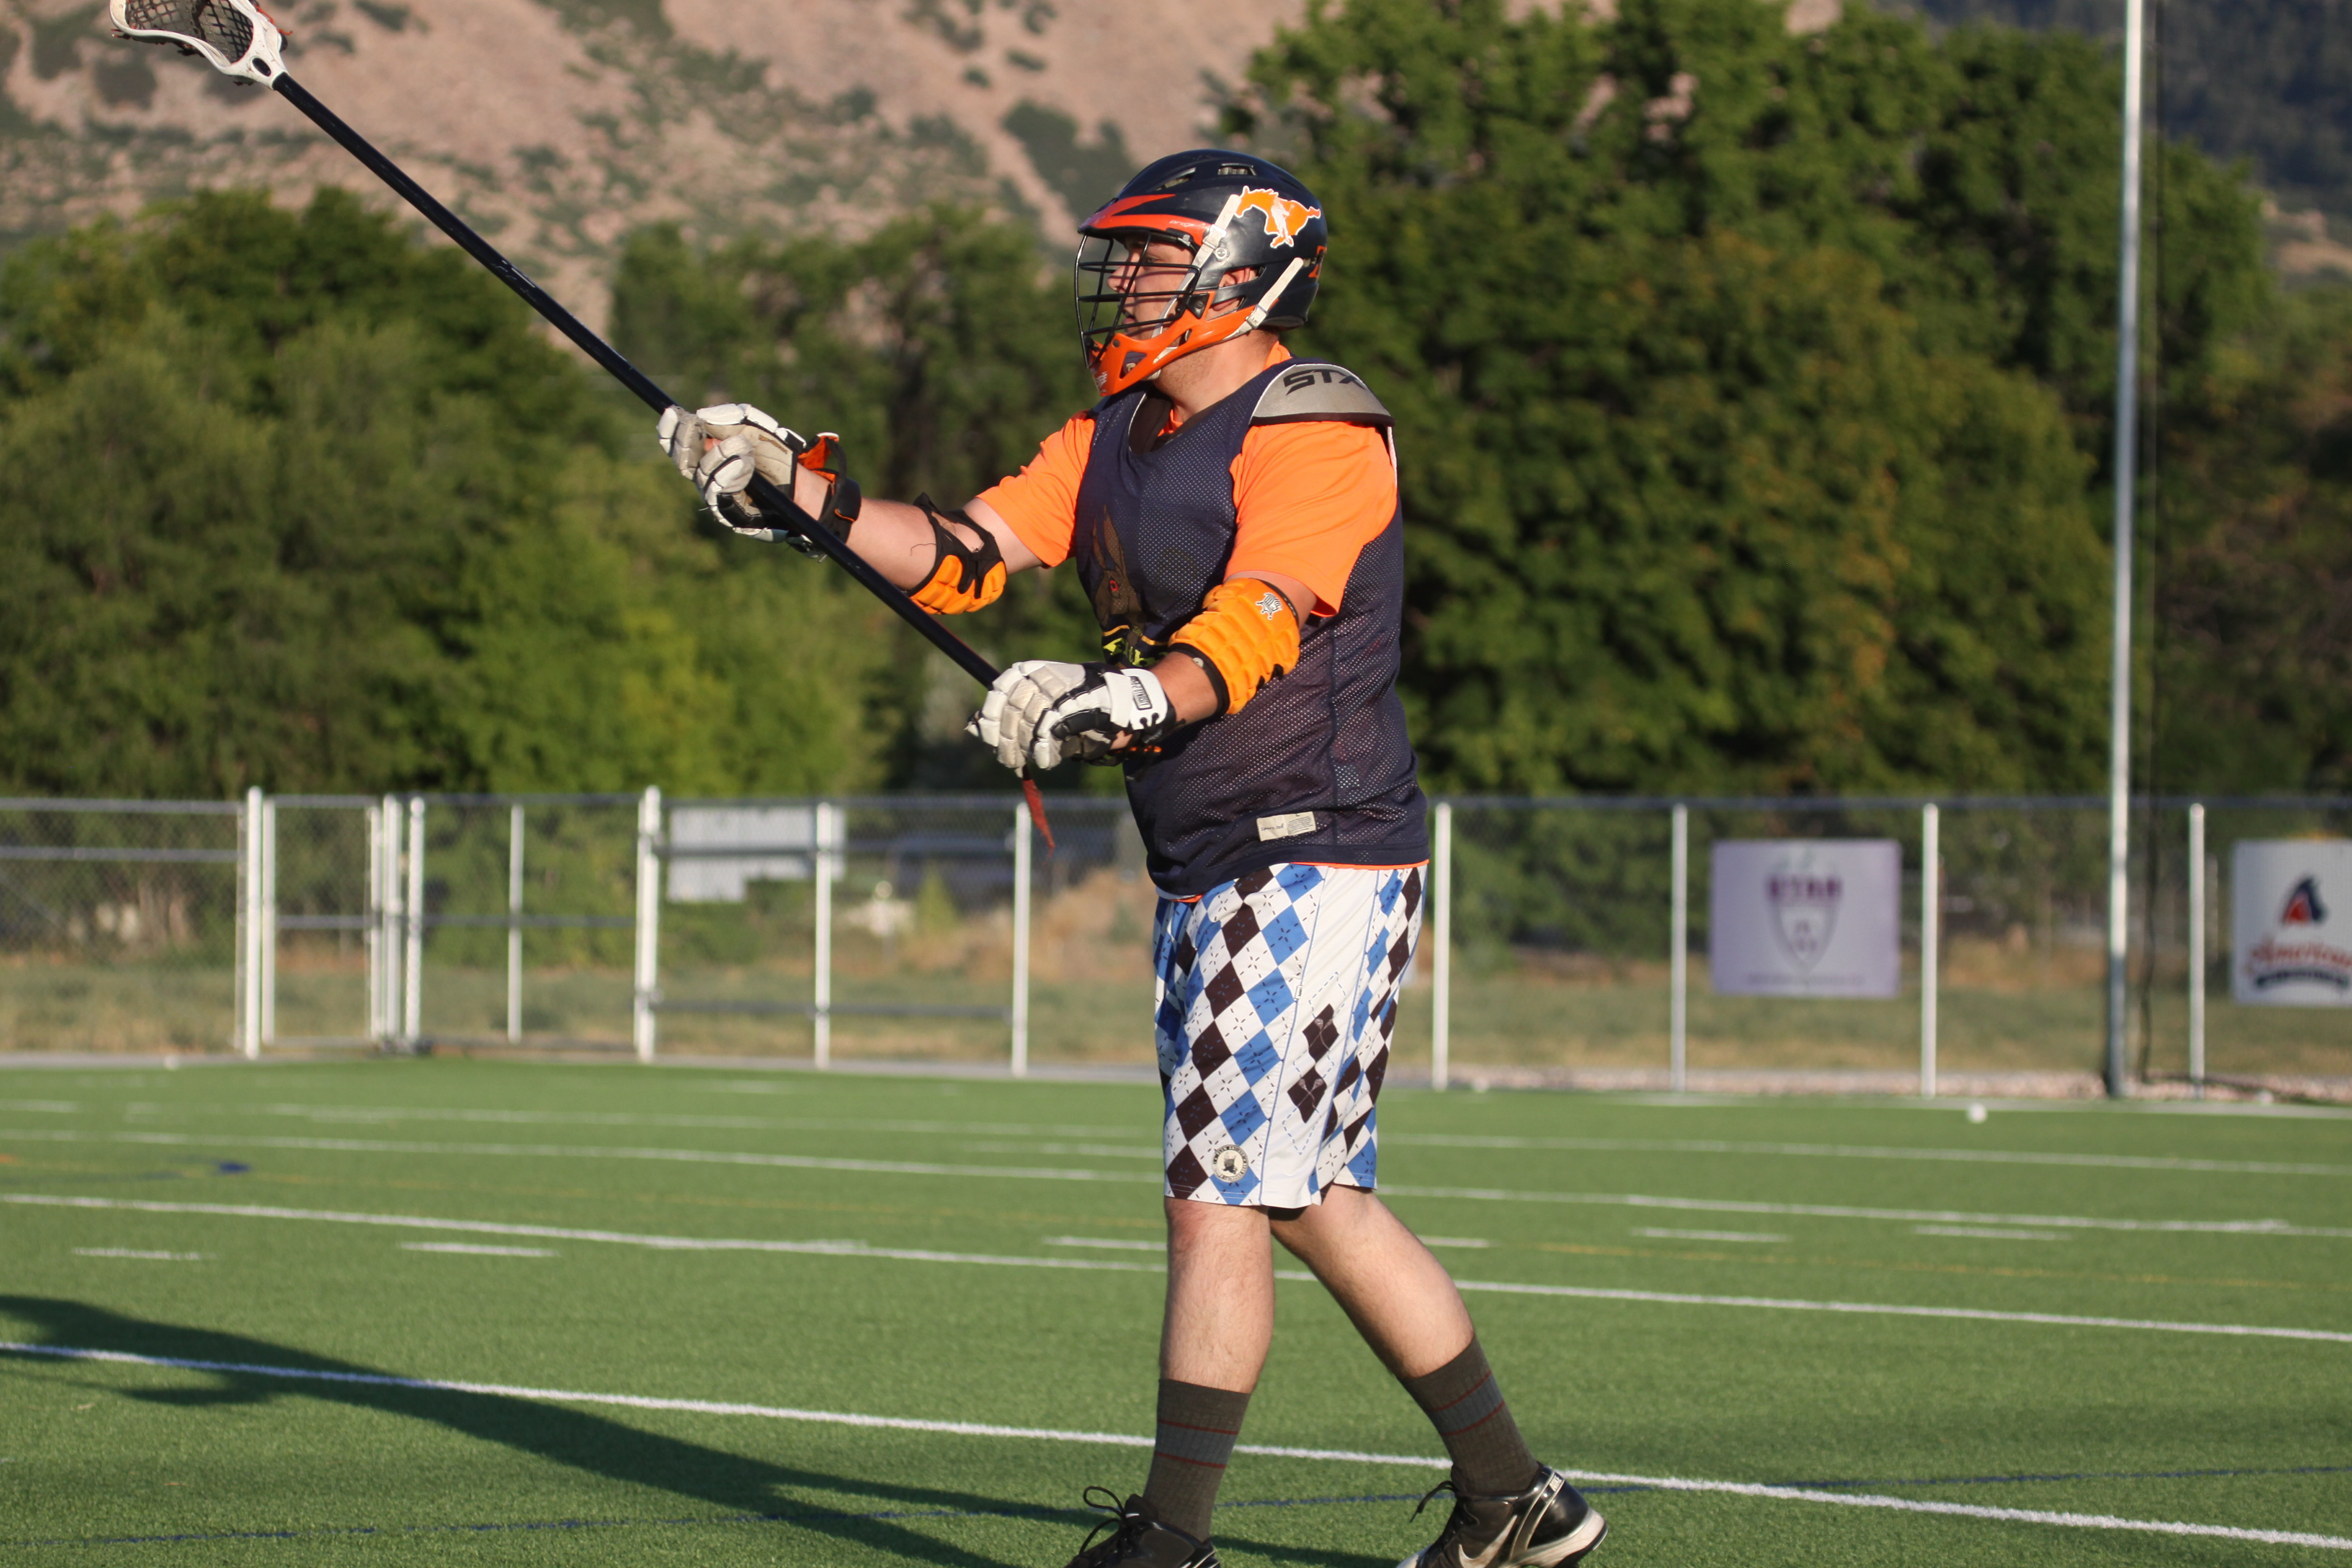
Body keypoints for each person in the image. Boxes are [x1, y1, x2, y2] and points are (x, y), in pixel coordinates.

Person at [655, 149, 1606, 1568]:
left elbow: (1260, 615)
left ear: (1241, 274)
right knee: (1310, 1195)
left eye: (1154, 258)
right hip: (1212, 858)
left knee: (1217, 1193)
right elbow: (967, 551)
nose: (1127, 284)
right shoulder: (1114, 428)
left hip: (1315, 854)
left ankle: (1170, 1541)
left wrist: (1128, 699)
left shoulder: (1320, 427)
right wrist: (803, 492)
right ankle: (1516, 1501)